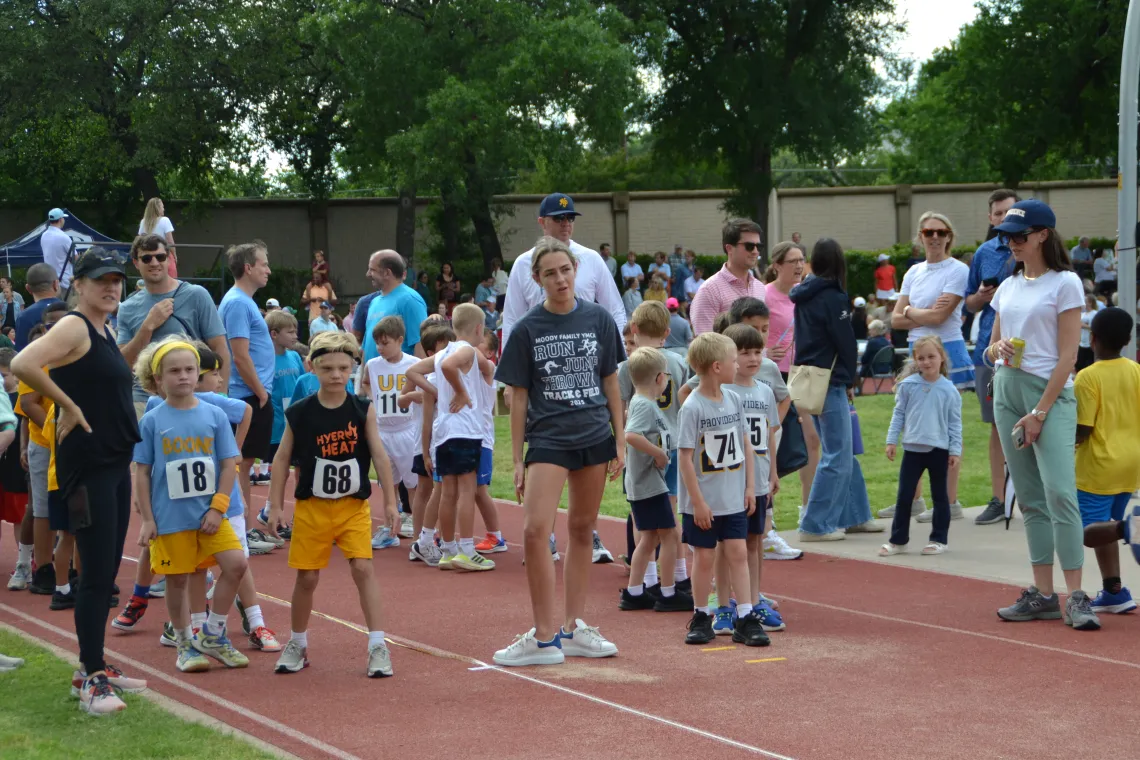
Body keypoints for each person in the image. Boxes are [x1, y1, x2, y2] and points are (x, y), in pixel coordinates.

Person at [12, 248, 147, 715]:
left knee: (106, 572)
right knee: (93, 576)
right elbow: (24, 364)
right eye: (101, 280)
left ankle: (93, 665)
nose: (111, 288)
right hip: (87, 467)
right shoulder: (73, 324)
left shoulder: (104, 328)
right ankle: (90, 679)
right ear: (79, 284)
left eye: (117, 280)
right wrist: (65, 406)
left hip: (112, 462)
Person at [492, 236, 624, 666]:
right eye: (550, 273)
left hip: (593, 434)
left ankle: (573, 627)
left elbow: (610, 383)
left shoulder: (599, 319)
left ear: (575, 271)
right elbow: (518, 397)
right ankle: (543, 636)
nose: (560, 278)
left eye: (565, 270)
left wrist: (619, 439)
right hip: (547, 439)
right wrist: (517, 459)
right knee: (534, 531)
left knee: (583, 529)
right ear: (537, 279)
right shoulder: (527, 328)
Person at [984, 199, 1098, 631]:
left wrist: (1040, 412)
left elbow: (1069, 355)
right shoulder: (1009, 284)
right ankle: (1044, 594)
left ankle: (1076, 596)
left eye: (1019, 235)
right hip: (1007, 388)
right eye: (1007, 236)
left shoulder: (1065, 282)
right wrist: (996, 350)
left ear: (1043, 235)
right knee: (1030, 498)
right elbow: (991, 348)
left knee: (1060, 494)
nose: (1011, 242)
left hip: (1047, 395)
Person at [266, 331, 399, 677]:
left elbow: (380, 457)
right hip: (313, 508)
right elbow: (281, 460)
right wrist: (275, 505)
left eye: (344, 367)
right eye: (328, 369)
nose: (337, 375)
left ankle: (378, 645)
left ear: (354, 366)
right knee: (307, 577)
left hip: (352, 506)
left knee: (363, 569)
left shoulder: (362, 409)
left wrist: (391, 503)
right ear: (312, 367)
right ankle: (297, 642)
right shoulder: (300, 413)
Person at [131, 339, 249, 673]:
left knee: (236, 564)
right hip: (170, 518)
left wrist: (218, 507)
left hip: (210, 514)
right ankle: (184, 643)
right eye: (174, 371)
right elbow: (141, 472)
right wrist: (147, 519)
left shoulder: (214, 415)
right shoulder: (152, 421)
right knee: (178, 580)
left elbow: (229, 465)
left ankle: (211, 633)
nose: (183, 377)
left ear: (199, 373)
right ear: (157, 379)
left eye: (189, 370)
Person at [676, 332, 767, 647]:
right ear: (717, 367)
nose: (737, 364)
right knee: (704, 557)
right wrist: (698, 502)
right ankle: (702, 615)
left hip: (733, 497)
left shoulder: (734, 399)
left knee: (739, 553)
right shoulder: (692, 407)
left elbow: (745, 443)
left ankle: (744, 616)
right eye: (732, 359)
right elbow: (685, 458)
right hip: (704, 502)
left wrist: (750, 487)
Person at [886, 212, 972, 522]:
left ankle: (949, 501)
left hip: (946, 349)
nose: (934, 237)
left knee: (946, 425)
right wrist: (914, 313)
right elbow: (894, 320)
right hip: (915, 350)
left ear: (949, 236)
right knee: (912, 423)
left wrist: (908, 310)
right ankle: (913, 499)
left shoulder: (958, 270)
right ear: (920, 236)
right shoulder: (912, 272)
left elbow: (940, 318)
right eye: (928, 231)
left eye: (940, 231)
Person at [792, 239, 875, 542]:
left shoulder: (805, 293)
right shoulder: (833, 296)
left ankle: (855, 515)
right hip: (831, 379)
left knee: (841, 451)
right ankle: (815, 524)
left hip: (813, 376)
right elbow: (845, 342)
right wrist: (850, 376)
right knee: (838, 454)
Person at [405, 303, 494, 571]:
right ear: (478, 329)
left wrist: (438, 393)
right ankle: (466, 549)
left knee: (447, 493)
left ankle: (446, 549)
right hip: (464, 429)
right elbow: (450, 368)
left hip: (443, 432)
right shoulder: (466, 349)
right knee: (467, 491)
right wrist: (461, 391)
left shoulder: (443, 352)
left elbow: (411, 372)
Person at [617, 302, 692, 607]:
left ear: (633, 329)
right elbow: (686, 400)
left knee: (643, 521)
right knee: (670, 519)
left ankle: (647, 580)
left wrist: (618, 450)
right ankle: (676, 577)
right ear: (666, 332)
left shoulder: (626, 367)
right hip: (668, 446)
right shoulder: (677, 361)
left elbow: (621, 412)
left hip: (640, 454)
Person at [117, 234, 229, 418]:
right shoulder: (128, 307)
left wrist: (221, 396)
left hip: (191, 396)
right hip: (143, 400)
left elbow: (220, 347)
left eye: (160, 257)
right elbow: (123, 363)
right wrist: (147, 326)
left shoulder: (196, 295)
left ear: (169, 258)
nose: (154, 262)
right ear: (136, 263)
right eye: (146, 258)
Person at [1073, 307, 1140, 614]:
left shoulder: (1087, 377)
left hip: (1098, 466)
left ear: (1092, 338)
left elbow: (1083, 428)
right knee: (1104, 526)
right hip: (1130, 465)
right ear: (1127, 340)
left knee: (1086, 532)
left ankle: (1131, 529)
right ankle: (1114, 591)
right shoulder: (1136, 370)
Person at [718, 323, 784, 632]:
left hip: (758, 479)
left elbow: (770, 435)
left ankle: (755, 599)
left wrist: (772, 472)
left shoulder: (765, 391)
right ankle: (726, 601)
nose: (753, 359)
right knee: (730, 543)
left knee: (755, 541)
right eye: (744, 353)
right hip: (731, 481)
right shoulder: (724, 392)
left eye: (757, 351)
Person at [501, 193, 626, 353]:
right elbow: (512, 318)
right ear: (542, 222)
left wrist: (620, 355)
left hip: (585, 351)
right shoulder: (523, 264)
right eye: (559, 218)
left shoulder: (591, 258)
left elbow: (614, 309)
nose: (566, 223)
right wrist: (508, 366)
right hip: (542, 353)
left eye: (570, 218)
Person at [964, 188, 1020, 526]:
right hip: (990, 348)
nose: (1003, 218)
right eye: (998, 214)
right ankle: (999, 499)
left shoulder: (1036, 251)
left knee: (1037, 422)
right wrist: (983, 297)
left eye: (1009, 212)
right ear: (990, 218)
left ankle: (1032, 497)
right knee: (998, 427)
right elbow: (968, 304)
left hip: (1031, 350)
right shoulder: (984, 253)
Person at [880, 336, 963, 557]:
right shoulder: (908, 386)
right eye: (921, 358)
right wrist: (891, 440)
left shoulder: (949, 390)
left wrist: (955, 450)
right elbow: (898, 414)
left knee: (940, 496)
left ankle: (939, 539)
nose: (927, 362)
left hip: (939, 450)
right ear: (915, 360)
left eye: (931, 357)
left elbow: (955, 423)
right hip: (912, 450)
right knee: (904, 495)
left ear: (942, 358)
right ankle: (898, 540)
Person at [218, 242, 275, 527]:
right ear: (248, 267)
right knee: (239, 465)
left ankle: (243, 527)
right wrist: (261, 392)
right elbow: (239, 355)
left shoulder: (242, 301)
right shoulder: (239, 302)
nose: (268, 269)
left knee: (244, 464)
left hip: (250, 395)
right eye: (264, 263)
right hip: (247, 396)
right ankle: (242, 528)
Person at [360, 316, 420, 550]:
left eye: (385, 343)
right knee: (387, 483)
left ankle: (419, 530)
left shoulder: (414, 363)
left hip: (407, 429)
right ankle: (389, 528)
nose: (380, 348)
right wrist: (373, 397)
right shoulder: (373, 365)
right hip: (383, 431)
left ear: (400, 340)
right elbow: (365, 382)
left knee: (413, 483)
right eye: (377, 343)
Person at [689, 218, 767, 335]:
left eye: (758, 246)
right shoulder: (709, 290)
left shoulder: (759, 287)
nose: (755, 251)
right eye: (749, 246)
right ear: (729, 248)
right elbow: (705, 344)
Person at [358, 251, 429, 364]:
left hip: (399, 380)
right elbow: (367, 347)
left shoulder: (409, 300)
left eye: (372, 270)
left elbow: (420, 345)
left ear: (387, 273)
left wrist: (417, 380)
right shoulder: (374, 302)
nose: (368, 274)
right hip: (373, 379)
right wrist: (363, 379)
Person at [138, 198, 178, 278]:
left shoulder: (143, 221)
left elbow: (140, 240)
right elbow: (170, 242)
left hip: (148, 255)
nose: (164, 209)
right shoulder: (165, 220)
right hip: (163, 254)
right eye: (162, 207)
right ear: (157, 208)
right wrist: (174, 255)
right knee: (171, 278)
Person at [40, 208, 75, 291]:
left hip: (50, 281)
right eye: (63, 218)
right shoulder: (63, 237)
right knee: (68, 303)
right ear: (60, 220)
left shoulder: (44, 236)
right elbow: (75, 258)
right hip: (65, 282)